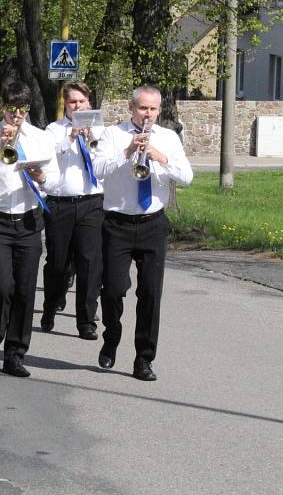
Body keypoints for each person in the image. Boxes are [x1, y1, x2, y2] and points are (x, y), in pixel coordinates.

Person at [92, 85, 193, 381]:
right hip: (117, 223)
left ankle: (143, 359)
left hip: (152, 223)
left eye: (152, 109)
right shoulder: (114, 134)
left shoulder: (168, 138)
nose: (147, 114)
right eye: (142, 108)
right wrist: (128, 151)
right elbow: (98, 169)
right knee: (111, 290)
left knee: (150, 294)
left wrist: (160, 157)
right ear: (130, 108)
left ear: (158, 110)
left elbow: (186, 176)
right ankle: (112, 335)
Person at [0, 81, 59, 378]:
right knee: (1, 286)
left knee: (23, 290)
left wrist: (40, 175)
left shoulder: (40, 138)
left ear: (28, 109)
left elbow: (54, 181)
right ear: (2, 107)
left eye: (21, 110)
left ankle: (15, 354)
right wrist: (0, 145)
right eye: (11, 109)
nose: (16, 116)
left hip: (29, 220)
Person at [41, 82, 104, 339]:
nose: (77, 106)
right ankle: (50, 306)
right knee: (58, 263)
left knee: (90, 263)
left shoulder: (100, 128)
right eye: (72, 102)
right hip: (60, 202)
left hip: (91, 201)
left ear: (88, 102)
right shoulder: (53, 130)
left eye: (81, 101)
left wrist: (91, 138)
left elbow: (105, 160)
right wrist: (71, 137)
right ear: (65, 104)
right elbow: (49, 156)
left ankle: (86, 321)